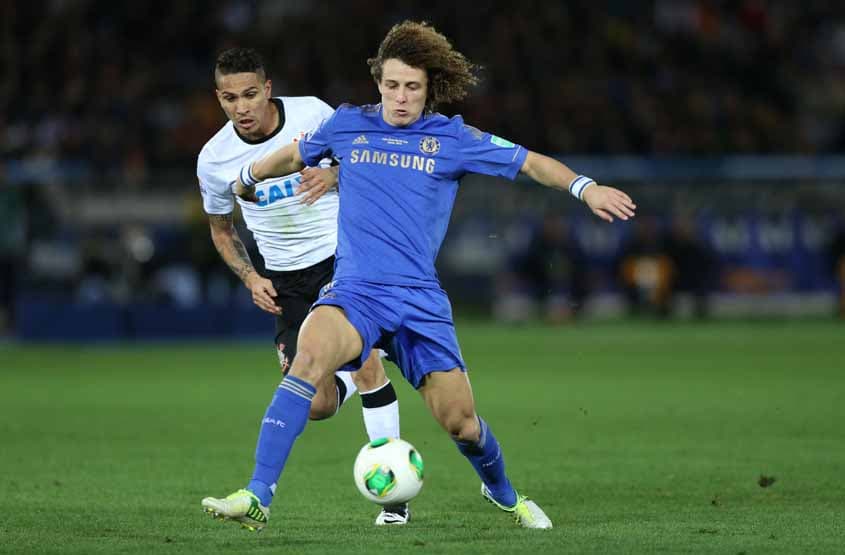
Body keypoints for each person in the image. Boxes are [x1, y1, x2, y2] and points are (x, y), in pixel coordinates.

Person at [203, 22, 636, 531]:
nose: (400, 97)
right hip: (355, 292)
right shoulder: (347, 125)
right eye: (391, 85)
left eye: (412, 86)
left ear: (428, 88)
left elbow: (529, 163)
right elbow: (295, 153)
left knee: (462, 424)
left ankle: (504, 493)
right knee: (307, 360)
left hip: (419, 304)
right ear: (378, 83)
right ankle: (258, 495)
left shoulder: (451, 138)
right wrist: (251, 176)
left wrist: (584, 188)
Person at [196, 48, 407, 527]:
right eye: (230, 98)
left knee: (367, 361)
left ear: (268, 88)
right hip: (286, 282)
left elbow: (370, 160)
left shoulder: (312, 114)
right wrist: (250, 276)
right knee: (317, 402)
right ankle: (357, 366)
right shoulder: (214, 159)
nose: (241, 107)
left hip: (343, 259)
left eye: (250, 94)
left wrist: (334, 173)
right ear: (219, 98)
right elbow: (221, 228)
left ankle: (394, 499)